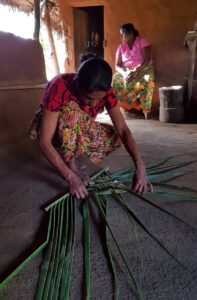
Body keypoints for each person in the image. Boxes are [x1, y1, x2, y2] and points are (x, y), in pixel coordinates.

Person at [29, 55, 152, 199]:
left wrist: (140, 166)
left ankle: (73, 157)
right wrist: (71, 178)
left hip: (78, 123)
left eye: (99, 99)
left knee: (112, 135)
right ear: (77, 84)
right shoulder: (60, 87)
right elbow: (45, 142)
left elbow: (123, 130)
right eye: (89, 98)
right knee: (72, 112)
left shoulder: (107, 92)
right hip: (54, 124)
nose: (94, 104)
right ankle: (72, 167)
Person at [112, 23, 155, 119]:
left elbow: (146, 60)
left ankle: (146, 110)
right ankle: (122, 108)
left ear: (131, 33)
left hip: (144, 68)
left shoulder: (143, 41)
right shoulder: (121, 47)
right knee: (115, 79)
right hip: (127, 71)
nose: (121, 37)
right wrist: (124, 73)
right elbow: (117, 65)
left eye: (123, 34)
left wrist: (135, 71)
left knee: (147, 80)